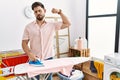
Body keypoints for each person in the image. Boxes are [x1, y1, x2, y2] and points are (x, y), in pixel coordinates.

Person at [22, 1, 71, 80]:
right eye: (35, 12)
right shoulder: (28, 27)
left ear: (44, 11)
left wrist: (59, 12)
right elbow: (24, 43)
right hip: (35, 59)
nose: (38, 13)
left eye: (39, 10)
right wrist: (30, 54)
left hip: (49, 58)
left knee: (48, 79)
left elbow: (68, 23)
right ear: (34, 13)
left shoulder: (52, 25)